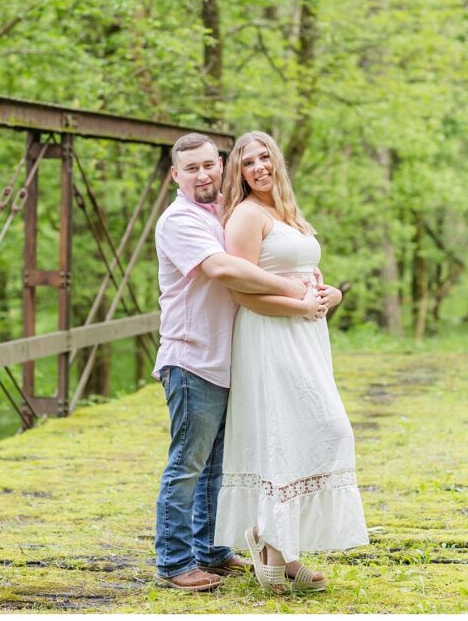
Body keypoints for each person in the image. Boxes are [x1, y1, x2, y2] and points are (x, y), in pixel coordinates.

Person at [153, 133, 320, 591]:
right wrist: (293, 288)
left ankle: (212, 551)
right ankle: (174, 562)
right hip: (192, 357)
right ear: (176, 175)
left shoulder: (221, 211)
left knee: (216, 466)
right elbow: (224, 270)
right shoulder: (179, 221)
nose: (203, 174)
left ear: (221, 164)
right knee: (188, 463)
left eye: (210, 165)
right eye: (191, 169)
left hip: (230, 358)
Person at [213, 131, 369, 594]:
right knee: (299, 428)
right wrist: (299, 307)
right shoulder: (245, 215)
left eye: (265, 158)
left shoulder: (289, 212)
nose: (259, 167)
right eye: (248, 162)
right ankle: (270, 549)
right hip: (271, 334)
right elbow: (240, 290)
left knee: (308, 430)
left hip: (307, 335)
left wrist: (332, 294)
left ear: (277, 161)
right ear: (238, 173)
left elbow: (306, 275)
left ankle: (283, 547)